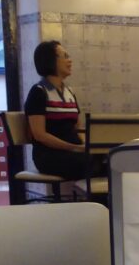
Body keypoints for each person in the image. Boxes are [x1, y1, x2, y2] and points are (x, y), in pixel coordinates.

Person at [24, 40, 98, 180]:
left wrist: (86, 146)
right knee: (89, 163)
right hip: (49, 155)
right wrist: (73, 147)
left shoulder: (70, 92)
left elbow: (77, 128)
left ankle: (99, 201)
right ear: (51, 61)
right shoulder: (38, 92)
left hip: (74, 151)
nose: (70, 61)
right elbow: (39, 135)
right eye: (65, 56)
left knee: (111, 159)